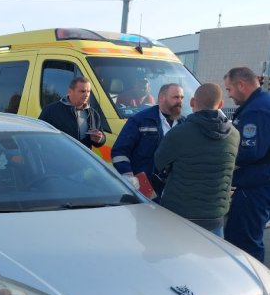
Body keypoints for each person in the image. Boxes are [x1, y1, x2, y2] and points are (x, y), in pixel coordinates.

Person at [153, 83, 239, 236]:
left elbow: (159, 163)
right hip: (216, 216)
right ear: (220, 104)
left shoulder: (178, 133)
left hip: (180, 215)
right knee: (210, 259)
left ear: (192, 102)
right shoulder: (234, 135)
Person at [223, 67, 270, 261]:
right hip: (258, 183)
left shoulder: (256, 110)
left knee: (244, 242)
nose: (229, 95)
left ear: (241, 85)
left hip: (254, 187)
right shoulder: (262, 103)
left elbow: (250, 151)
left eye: (229, 89)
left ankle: (255, 286)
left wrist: (222, 156)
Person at [111, 83, 185, 195]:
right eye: (175, 97)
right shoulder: (140, 120)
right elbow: (119, 151)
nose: (179, 101)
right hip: (144, 189)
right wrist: (128, 175)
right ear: (161, 98)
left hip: (174, 191)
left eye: (181, 98)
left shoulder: (184, 124)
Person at [38, 77, 105, 149]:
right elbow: (38, 135)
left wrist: (100, 139)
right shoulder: (51, 110)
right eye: (82, 91)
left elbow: (101, 139)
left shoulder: (93, 114)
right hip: (57, 157)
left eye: (88, 91)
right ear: (70, 91)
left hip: (81, 159)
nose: (86, 95)